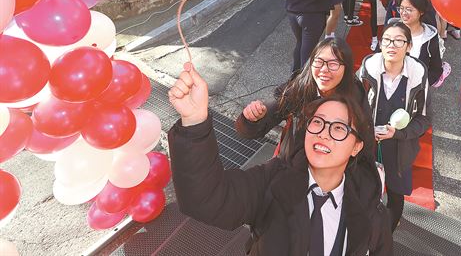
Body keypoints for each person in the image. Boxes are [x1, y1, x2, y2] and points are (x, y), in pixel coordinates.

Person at [168, 64, 392, 255]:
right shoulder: (272, 181)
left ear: (357, 146)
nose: (324, 132)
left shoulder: (372, 212)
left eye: (339, 127)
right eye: (318, 122)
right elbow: (206, 199)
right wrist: (195, 122)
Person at [236, 37, 371, 161]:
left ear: (346, 68)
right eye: (318, 61)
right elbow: (259, 125)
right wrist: (252, 119)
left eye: (333, 64)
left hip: (329, 174)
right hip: (291, 167)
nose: (324, 69)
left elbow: (364, 145)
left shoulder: (355, 99)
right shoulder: (299, 89)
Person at [357, 22, 431, 232]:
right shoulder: (368, 67)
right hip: (366, 144)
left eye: (399, 40)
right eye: (387, 39)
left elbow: (424, 118)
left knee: (396, 197)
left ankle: (386, 236)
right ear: (381, 44)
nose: (392, 45)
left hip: (400, 148)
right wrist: (364, 130)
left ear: (408, 46)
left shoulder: (417, 73)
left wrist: (398, 133)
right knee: (362, 188)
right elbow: (351, 105)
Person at [397, 0, 444, 86]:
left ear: (421, 12)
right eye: (401, 8)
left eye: (409, 9)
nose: (403, 13)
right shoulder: (392, 31)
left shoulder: (429, 37)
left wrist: (420, 86)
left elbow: (436, 69)